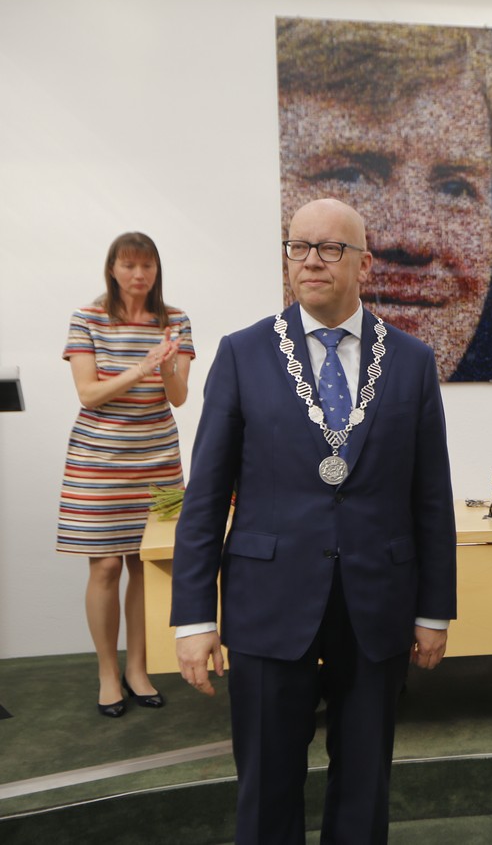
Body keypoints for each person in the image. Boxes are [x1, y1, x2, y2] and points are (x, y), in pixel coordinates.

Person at [171, 198, 457, 844]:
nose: (311, 261)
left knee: (364, 784)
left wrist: (434, 609)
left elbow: (430, 497)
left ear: (364, 263)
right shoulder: (242, 354)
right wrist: (194, 617)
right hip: (267, 603)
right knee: (267, 783)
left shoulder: (411, 361)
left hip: (376, 605)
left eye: (330, 248)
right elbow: (206, 495)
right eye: (298, 247)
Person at [277, 17, 492, 382]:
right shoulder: (242, 363)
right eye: (350, 175)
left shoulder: (423, 386)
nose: (413, 239)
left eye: (454, 188)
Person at [58, 231, 193, 717]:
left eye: (147, 265)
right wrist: (141, 368)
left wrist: (167, 366)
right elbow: (88, 394)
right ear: (112, 269)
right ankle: (107, 673)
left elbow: (178, 397)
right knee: (106, 567)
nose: (139, 274)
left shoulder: (175, 321)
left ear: (157, 270)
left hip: (156, 457)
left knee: (144, 564)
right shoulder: (87, 318)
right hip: (98, 459)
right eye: (129, 265)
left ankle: (138, 669)